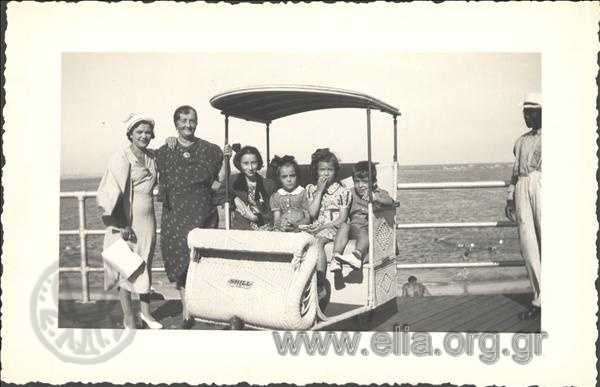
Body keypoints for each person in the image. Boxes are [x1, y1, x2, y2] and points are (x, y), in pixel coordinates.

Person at [155, 105, 231, 329]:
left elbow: (218, 181)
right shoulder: (165, 151)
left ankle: (205, 308)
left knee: (204, 260)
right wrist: (169, 140)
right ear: (175, 123)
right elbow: (146, 158)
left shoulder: (210, 149)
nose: (188, 125)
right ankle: (187, 309)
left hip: (202, 211)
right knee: (180, 258)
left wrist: (227, 159)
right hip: (176, 213)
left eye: (192, 120)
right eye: (183, 121)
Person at [97, 114, 162, 329]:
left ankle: (146, 314)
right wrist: (121, 223)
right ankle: (129, 318)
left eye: (147, 132)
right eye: (139, 132)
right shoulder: (121, 157)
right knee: (126, 267)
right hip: (127, 219)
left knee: (145, 264)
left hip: (148, 219)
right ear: (130, 134)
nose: (144, 135)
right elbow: (111, 191)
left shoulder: (152, 156)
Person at [505, 92, 542, 320]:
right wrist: (510, 197)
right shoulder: (520, 141)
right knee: (528, 245)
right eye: (525, 112)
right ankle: (540, 299)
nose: (527, 116)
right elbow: (515, 172)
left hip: (543, 185)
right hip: (523, 186)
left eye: (532, 112)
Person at [305, 148, 351, 309]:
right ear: (316, 172)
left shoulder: (342, 192)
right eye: (322, 170)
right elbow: (312, 213)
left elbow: (343, 219)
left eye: (329, 170)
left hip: (332, 227)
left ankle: (320, 283)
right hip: (317, 226)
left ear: (335, 172)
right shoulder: (311, 189)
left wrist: (323, 226)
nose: (325, 174)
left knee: (318, 242)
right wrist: (319, 191)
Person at [331, 161, 394, 271]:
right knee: (344, 226)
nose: (360, 185)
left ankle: (357, 255)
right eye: (356, 181)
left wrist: (376, 199)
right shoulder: (350, 193)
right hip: (354, 227)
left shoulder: (378, 193)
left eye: (365, 182)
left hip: (368, 228)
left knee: (364, 231)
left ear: (373, 182)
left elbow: (391, 202)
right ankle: (335, 258)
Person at [227, 145, 277, 230]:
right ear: (239, 164)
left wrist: (255, 218)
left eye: (253, 163)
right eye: (245, 163)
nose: (250, 168)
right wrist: (234, 199)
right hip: (241, 229)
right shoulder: (233, 181)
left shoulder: (269, 185)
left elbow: (274, 213)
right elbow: (218, 196)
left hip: (264, 229)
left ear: (259, 163)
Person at [269, 155, 311, 232]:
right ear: (279, 178)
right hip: (282, 229)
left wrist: (296, 225)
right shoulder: (276, 196)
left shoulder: (303, 193)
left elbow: (308, 218)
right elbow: (277, 219)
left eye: (292, 176)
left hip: (299, 228)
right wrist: (280, 225)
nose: (289, 179)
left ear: (297, 176)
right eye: (284, 177)